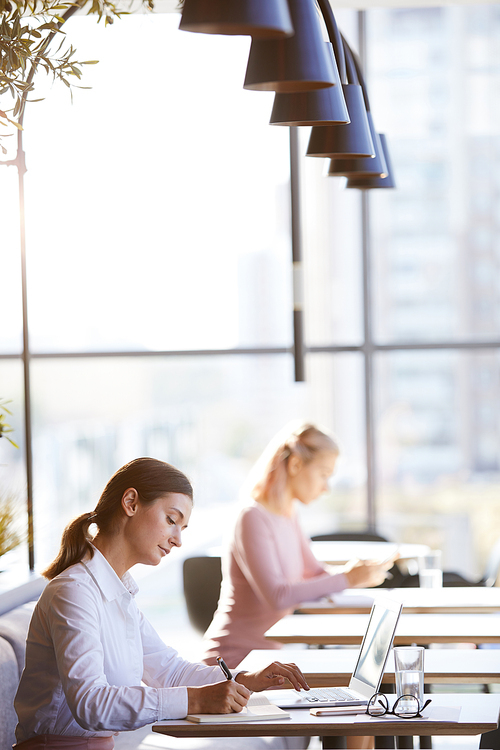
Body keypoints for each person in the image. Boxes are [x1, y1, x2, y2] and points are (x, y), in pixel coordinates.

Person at [14, 457, 309, 750]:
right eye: (171, 520)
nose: (178, 540)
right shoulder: (74, 592)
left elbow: (170, 672)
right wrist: (195, 700)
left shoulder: (119, 596)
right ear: (130, 503)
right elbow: (91, 704)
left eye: (182, 528)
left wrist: (247, 679)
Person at [202, 422, 395, 669]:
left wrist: (361, 574)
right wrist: (348, 578)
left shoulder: (288, 514)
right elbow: (278, 597)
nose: (326, 487)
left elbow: (315, 573)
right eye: (324, 474)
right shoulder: (251, 517)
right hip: (231, 664)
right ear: (295, 465)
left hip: (265, 663)